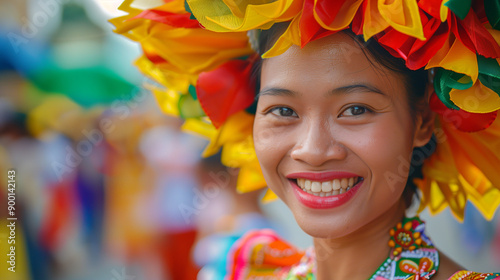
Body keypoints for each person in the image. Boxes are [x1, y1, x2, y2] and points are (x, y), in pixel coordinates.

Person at [112, 0, 500, 279]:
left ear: (421, 123)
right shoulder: (243, 270)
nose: (313, 150)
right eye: (283, 111)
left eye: (355, 109)